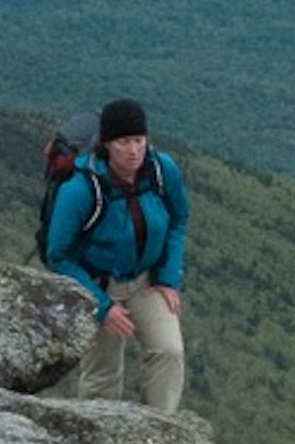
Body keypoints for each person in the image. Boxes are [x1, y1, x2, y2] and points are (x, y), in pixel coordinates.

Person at [45, 97, 188, 412]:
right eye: (124, 141)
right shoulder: (81, 189)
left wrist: (168, 277)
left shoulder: (161, 171)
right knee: (103, 376)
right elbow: (59, 255)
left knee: (169, 353)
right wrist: (101, 307)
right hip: (97, 286)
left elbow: (179, 219)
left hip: (146, 280)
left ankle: (159, 434)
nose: (134, 149)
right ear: (107, 144)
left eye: (139, 140)